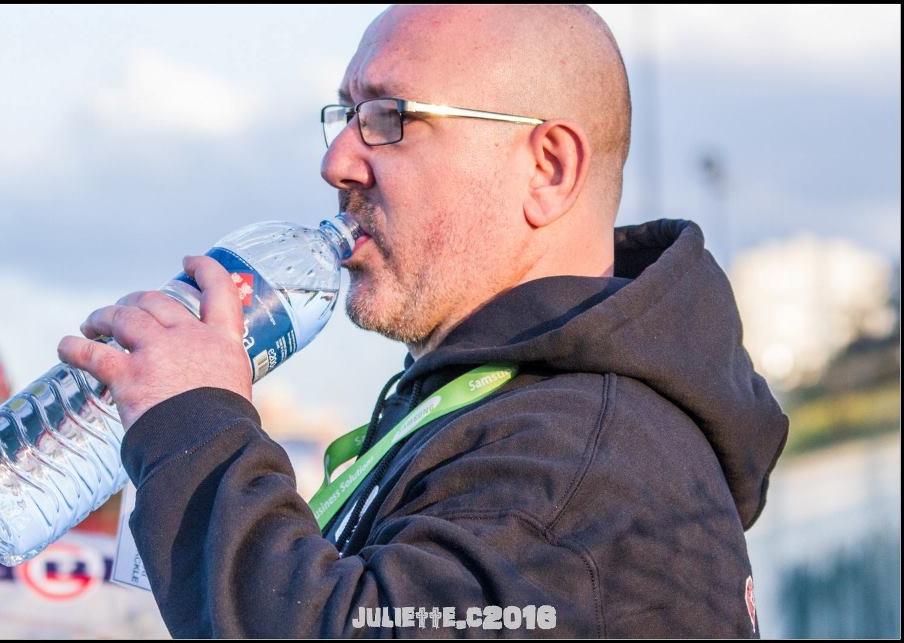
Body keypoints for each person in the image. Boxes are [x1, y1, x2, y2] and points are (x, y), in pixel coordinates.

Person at [58, 4, 788, 637]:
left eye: (389, 119)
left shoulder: (587, 464)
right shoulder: (493, 411)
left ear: (548, 168)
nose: (337, 160)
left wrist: (195, 426)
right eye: (346, 115)